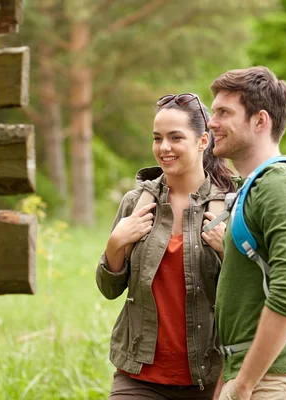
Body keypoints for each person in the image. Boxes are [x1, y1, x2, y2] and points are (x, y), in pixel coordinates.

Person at [96, 93, 235, 399]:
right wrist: (115, 242)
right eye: (157, 138)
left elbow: (246, 299)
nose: (164, 148)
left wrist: (228, 251)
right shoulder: (136, 203)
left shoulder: (230, 206)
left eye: (175, 137)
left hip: (209, 376)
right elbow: (109, 289)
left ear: (202, 141)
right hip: (139, 376)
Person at [209, 67, 286, 400]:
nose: (211, 122)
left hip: (275, 382)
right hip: (255, 375)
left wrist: (245, 384)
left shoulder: (280, 185)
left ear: (260, 121)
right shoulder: (256, 185)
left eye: (224, 113)